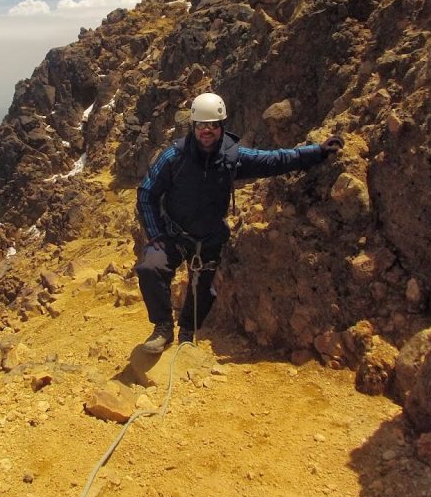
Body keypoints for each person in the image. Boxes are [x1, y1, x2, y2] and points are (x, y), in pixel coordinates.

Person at [134, 92, 344, 353]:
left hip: (209, 238)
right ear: (193, 127)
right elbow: (146, 193)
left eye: (213, 125)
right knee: (150, 268)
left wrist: (316, 152)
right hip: (174, 234)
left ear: (222, 126)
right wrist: (157, 235)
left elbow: (273, 160)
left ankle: (187, 332)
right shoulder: (173, 158)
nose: (207, 131)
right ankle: (163, 328)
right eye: (202, 125)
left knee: (202, 292)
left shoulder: (232, 157)